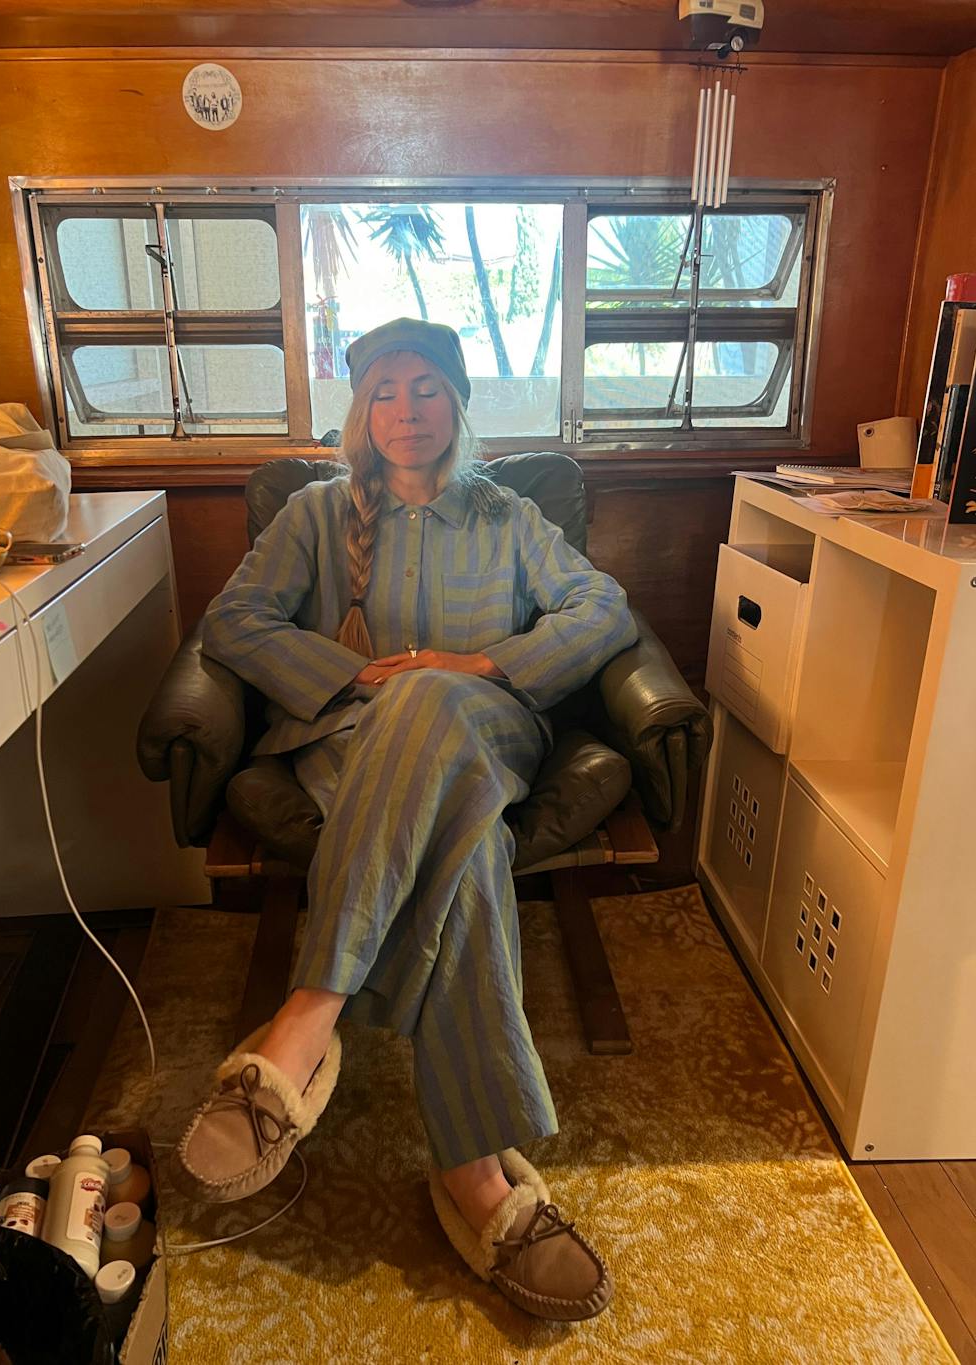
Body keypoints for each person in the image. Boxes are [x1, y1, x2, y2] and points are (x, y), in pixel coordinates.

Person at [172, 317, 638, 1322]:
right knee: (467, 852)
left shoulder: (508, 514)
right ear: (361, 412)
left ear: (456, 404)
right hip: (352, 743)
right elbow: (235, 619)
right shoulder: (313, 513)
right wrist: (352, 675)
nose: (406, 410)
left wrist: (476, 665)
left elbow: (602, 609)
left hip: (487, 736)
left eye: (426, 388)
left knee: (431, 700)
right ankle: (476, 1173)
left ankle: (307, 1021)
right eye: (384, 391)